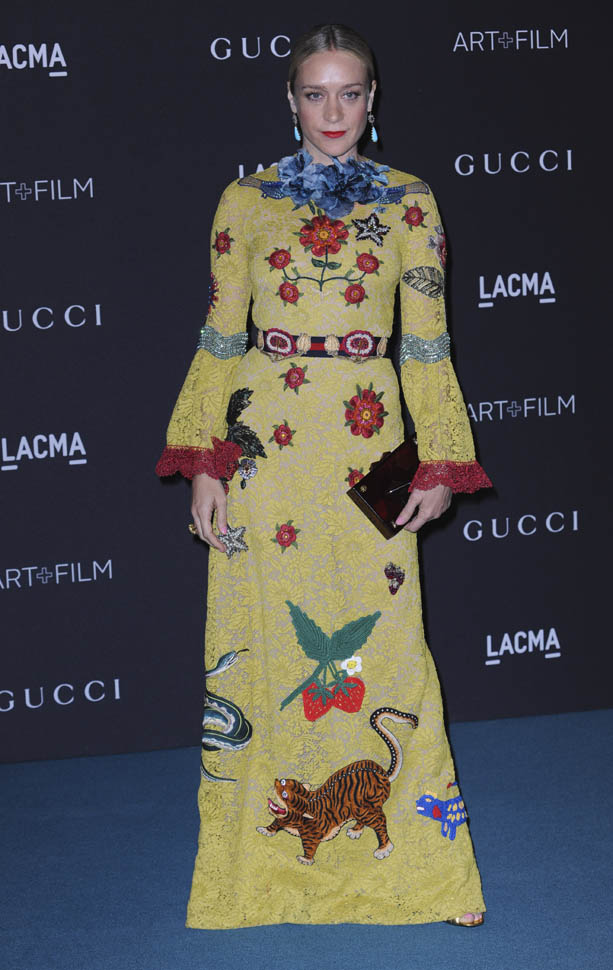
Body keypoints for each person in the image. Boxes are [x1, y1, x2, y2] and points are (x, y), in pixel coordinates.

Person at [156, 23, 491, 929]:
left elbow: (426, 346)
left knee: (391, 650)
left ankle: (426, 873)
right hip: (264, 447)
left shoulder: (410, 201)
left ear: (372, 100)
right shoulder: (244, 201)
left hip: (367, 446)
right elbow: (219, 336)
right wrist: (204, 462)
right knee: (261, 644)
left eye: (349, 92)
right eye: (315, 92)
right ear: (290, 100)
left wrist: (439, 459)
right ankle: (254, 874)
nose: (332, 110)